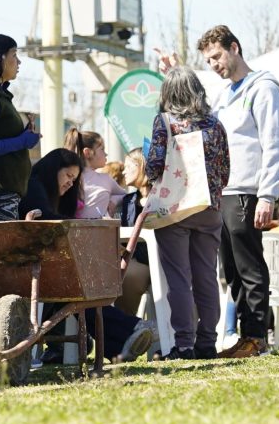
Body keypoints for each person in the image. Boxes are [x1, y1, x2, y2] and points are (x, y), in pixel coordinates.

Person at [186, 25, 279, 358]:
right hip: (224, 191)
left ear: (235, 48)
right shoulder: (224, 94)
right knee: (230, 270)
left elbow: (274, 145)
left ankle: (257, 337)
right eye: (209, 60)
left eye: (217, 56)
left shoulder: (264, 89)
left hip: (249, 190)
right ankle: (247, 335)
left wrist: (268, 194)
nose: (214, 64)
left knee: (250, 266)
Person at [22, 148, 156, 363]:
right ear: (53, 169)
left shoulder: (48, 193)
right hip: (33, 271)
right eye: (68, 176)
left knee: (80, 288)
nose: (70, 183)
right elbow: (47, 220)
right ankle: (128, 331)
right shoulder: (35, 185)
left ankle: (117, 345)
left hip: (44, 270)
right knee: (79, 288)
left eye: (74, 179)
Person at [145, 67, 230, 360]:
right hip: (209, 208)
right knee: (206, 275)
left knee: (179, 278)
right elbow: (225, 169)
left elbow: (154, 166)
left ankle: (184, 344)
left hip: (175, 209)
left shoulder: (165, 122)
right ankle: (208, 342)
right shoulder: (215, 125)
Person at [0, 34, 41, 222]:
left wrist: (24, 135)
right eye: (14, 55)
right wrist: (22, 141)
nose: (18, 62)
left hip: (4, 197)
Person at [116, 148, 151, 316]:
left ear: (142, 165)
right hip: (139, 260)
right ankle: (127, 330)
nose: (124, 171)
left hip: (167, 260)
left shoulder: (164, 198)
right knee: (128, 275)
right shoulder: (128, 201)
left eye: (128, 166)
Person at [64, 128, 126, 219]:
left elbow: (125, 195)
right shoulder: (67, 179)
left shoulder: (106, 179)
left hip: (100, 231)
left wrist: (114, 200)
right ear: (88, 153)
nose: (106, 154)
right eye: (102, 149)